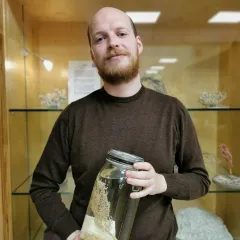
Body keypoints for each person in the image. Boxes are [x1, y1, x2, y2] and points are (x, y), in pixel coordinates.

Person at [30, 7, 210, 240]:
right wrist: (71, 233)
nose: (112, 42)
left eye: (121, 33)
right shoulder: (73, 116)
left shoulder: (172, 110)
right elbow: (42, 187)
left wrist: (161, 182)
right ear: (93, 55)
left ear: (138, 44)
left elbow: (200, 180)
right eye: (101, 38)